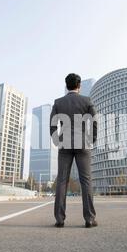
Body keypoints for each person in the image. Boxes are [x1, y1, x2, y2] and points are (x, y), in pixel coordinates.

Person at [50, 73, 98, 228]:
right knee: (86, 181)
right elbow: (95, 120)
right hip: (83, 144)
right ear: (79, 86)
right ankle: (89, 219)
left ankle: (59, 219)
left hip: (64, 145)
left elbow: (52, 126)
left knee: (62, 181)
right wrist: (93, 138)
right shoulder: (86, 100)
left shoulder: (58, 102)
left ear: (66, 85)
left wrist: (58, 141)